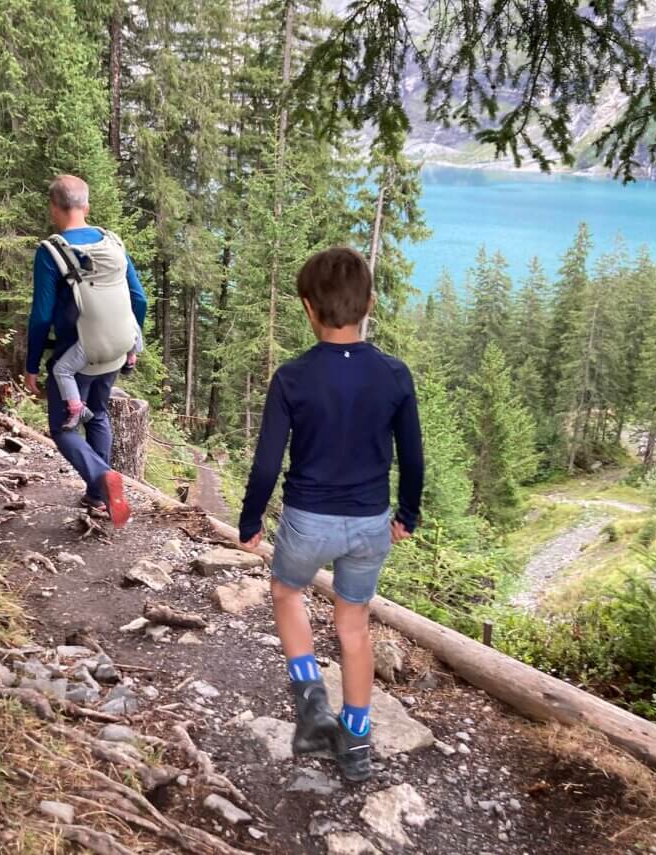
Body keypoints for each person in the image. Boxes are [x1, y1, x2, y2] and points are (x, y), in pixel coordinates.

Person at [238, 247, 424, 783]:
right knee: (354, 626)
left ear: (306, 308)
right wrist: (406, 513)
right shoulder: (393, 374)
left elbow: (267, 461)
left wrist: (251, 522)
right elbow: (412, 455)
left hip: (307, 522)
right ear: (368, 303)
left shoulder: (292, 378)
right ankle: (358, 741)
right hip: (370, 524)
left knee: (286, 591)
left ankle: (311, 700)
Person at [25, 175, 147, 528]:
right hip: (115, 350)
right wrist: (131, 345)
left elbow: (41, 316)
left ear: (53, 208)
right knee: (98, 413)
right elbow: (139, 298)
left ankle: (101, 482)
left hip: (75, 356)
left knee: (64, 429)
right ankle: (98, 496)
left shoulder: (51, 252)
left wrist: (32, 365)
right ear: (86, 206)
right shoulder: (112, 242)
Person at [52, 323, 144, 430]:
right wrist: (132, 353)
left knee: (72, 417)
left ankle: (76, 410)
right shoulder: (124, 311)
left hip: (86, 363)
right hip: (111, 365)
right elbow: (132, 324)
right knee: (99, 414)